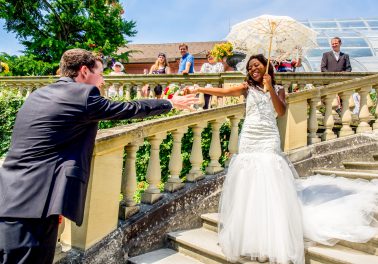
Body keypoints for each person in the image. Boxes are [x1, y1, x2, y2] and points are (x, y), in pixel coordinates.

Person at [0, 48, 198, 264]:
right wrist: (170, 103)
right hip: (35, 208)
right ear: (84, 71)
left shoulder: (38, 94)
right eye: (101, 73)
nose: (103, 81)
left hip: (9, 197)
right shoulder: (82, 95)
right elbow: (128, 108)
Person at [186, 54, 377, 264]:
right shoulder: (246, 88)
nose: (253, 69)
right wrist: (199, 89)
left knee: (269, 177)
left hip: (268, 137)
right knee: (248, 181)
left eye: (256, 65)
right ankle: (250, 232)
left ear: (266, 67)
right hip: (249, 137)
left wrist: (270, 89)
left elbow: (281, 111)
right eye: (250, 67)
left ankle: (272, 234)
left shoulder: (278, 90)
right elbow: (222, 91)